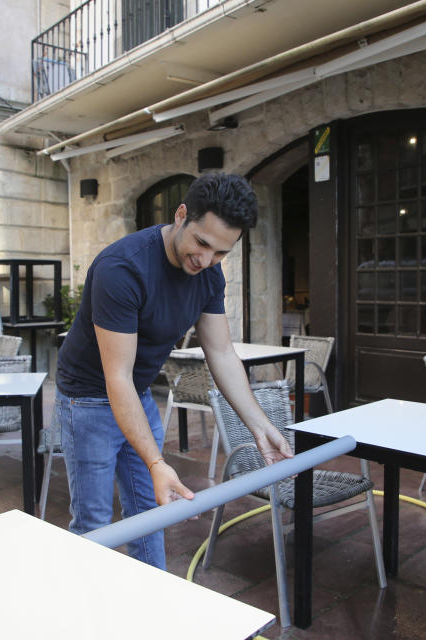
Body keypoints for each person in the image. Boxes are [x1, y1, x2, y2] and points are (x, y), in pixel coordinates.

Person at [54, 173, 293, 569]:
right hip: (88, 399)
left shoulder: (209, 274)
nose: (205, 261)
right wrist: (155, 462)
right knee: (95, 526)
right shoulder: (123, 268)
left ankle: (153, 609)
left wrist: (259, 424)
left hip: (138, 392)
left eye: (220, 253)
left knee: (152, 512)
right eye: (201, 243)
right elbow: (117, 377)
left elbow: (221, 352)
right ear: (181, 215)